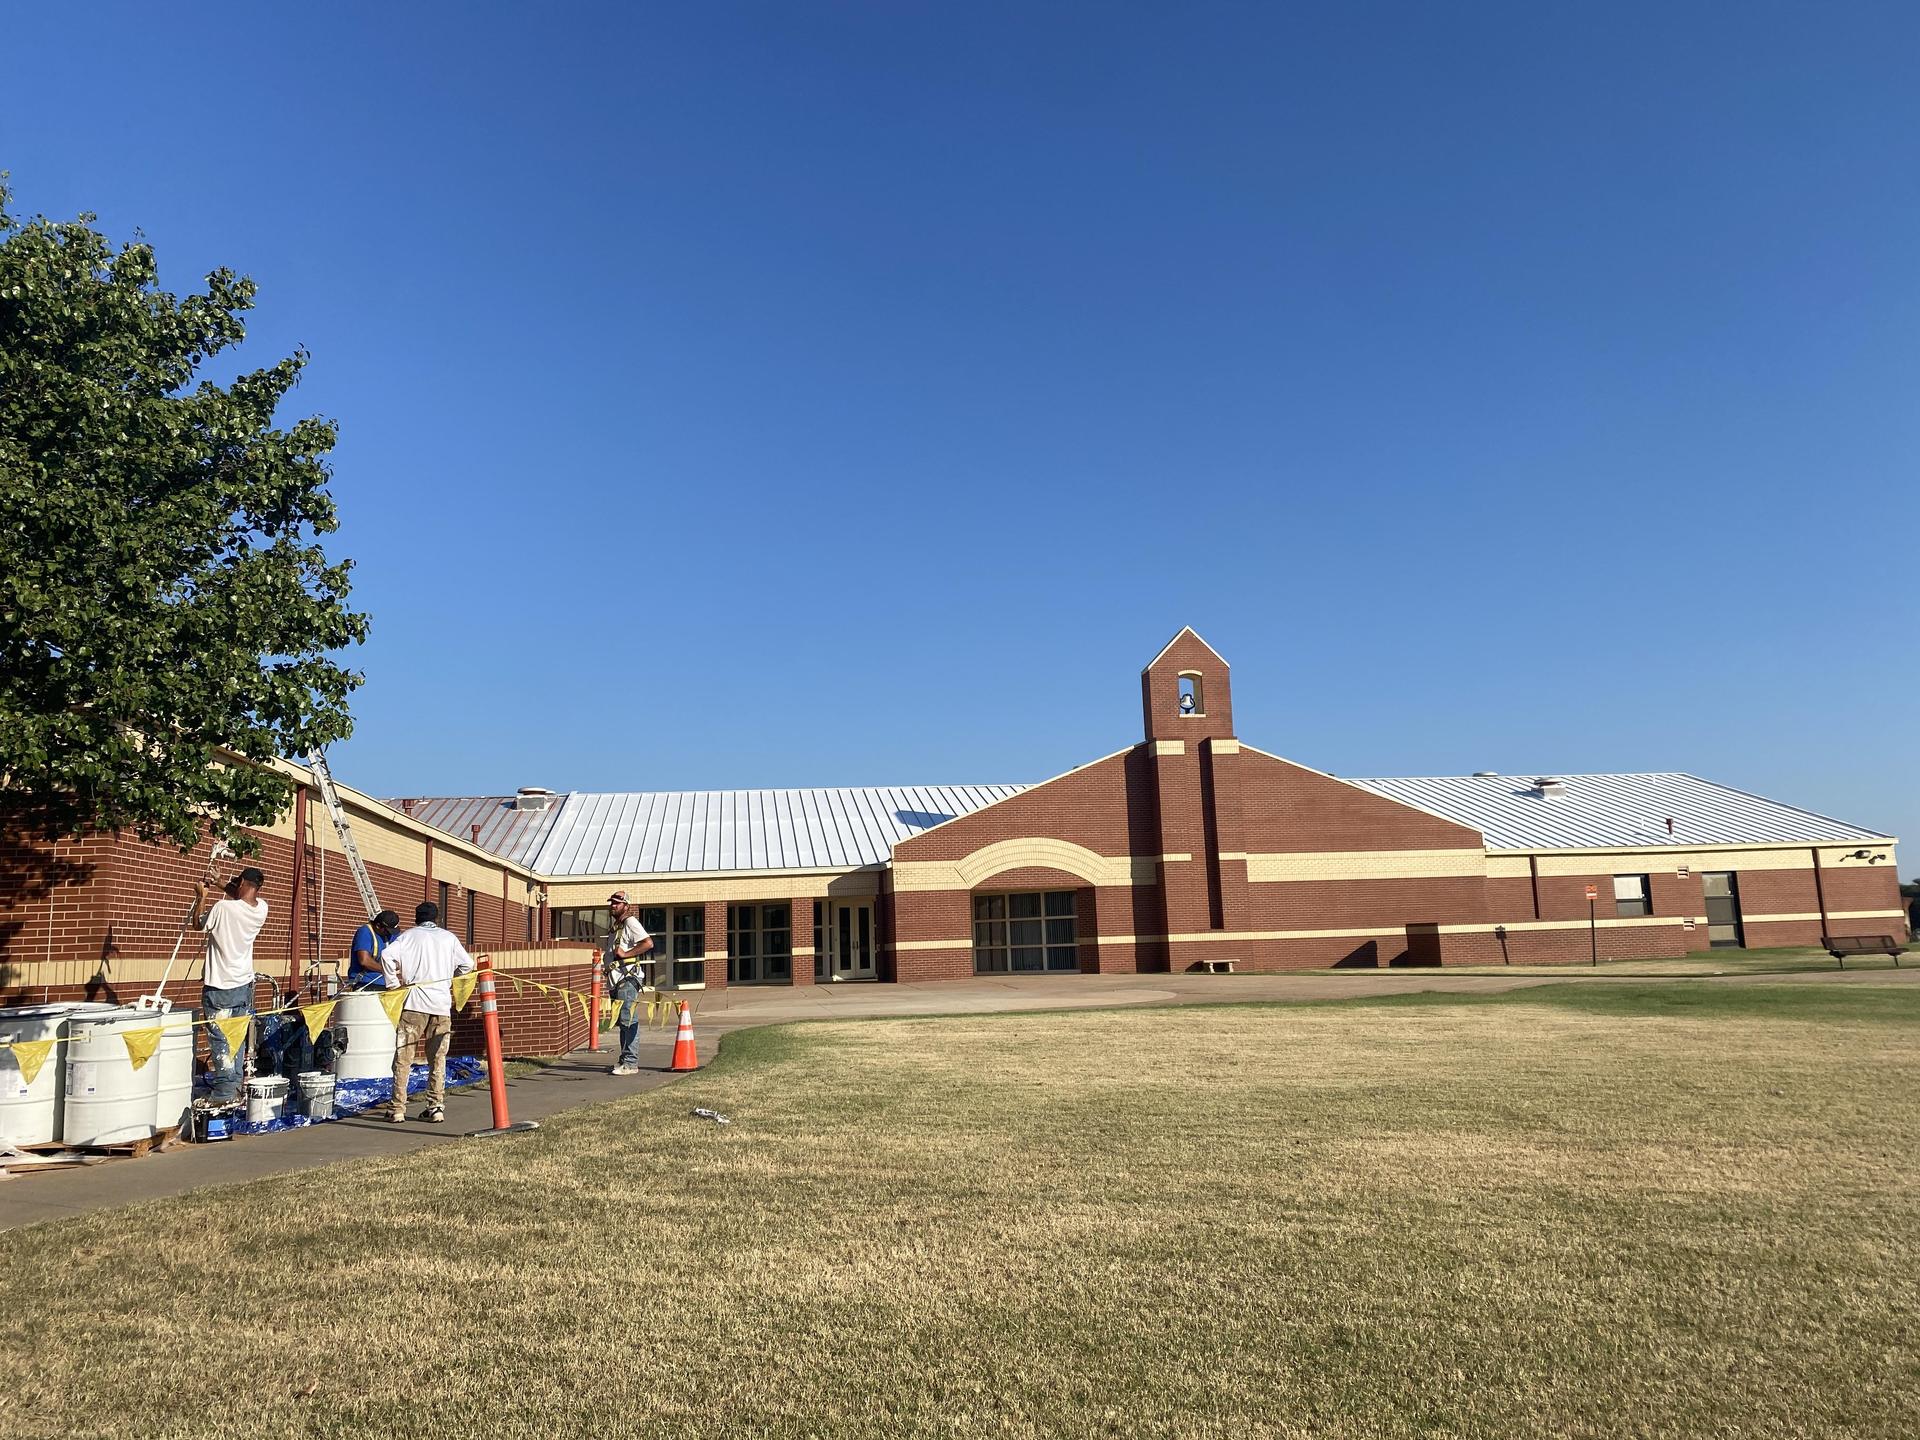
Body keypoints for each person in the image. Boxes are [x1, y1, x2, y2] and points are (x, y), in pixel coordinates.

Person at [379, 901, 475, 1123]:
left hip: (413, 1004)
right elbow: (467, 965)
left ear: (416, 918)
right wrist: (452, 980)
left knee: (404, 1058)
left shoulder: (407, 937)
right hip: (441, 1005)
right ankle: (435, 1106)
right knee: (438, 1058)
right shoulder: (448, 938)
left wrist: (393, 985)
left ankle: (397, 1108)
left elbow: (386, 956)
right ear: (437, 918)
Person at [192, 865, 269, 1103]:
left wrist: (202, 897)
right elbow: (241, 897)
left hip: (221, 986)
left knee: (220, 1040)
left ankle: (225, 1093)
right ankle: (235, 1088)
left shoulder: (222, 908)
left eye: (238, 883)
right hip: (244, 984)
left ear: (244, 882)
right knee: (237, 1038)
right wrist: (220, 883)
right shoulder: (261, 908)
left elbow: (199, 924)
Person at [604, 890, 656, 1076]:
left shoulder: (630, 922)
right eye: (612, 902)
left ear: (626, 905)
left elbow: (648, 943)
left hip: (627, 979)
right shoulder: (616, 926)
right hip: (616, 980)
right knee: (622, 1021)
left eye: (617, 903)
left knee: (628, 1019)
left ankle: (631, 1063)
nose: (613, 905)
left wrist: (626, 954)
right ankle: (624, 1059)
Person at [348, 911, 400, 989]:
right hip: (366, 983)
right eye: (387, 931)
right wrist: (386, 969)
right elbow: (364, 960)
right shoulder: (365, 932)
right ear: (378, 926)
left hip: (387, 983)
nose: (390, 934)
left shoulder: (391, 935)